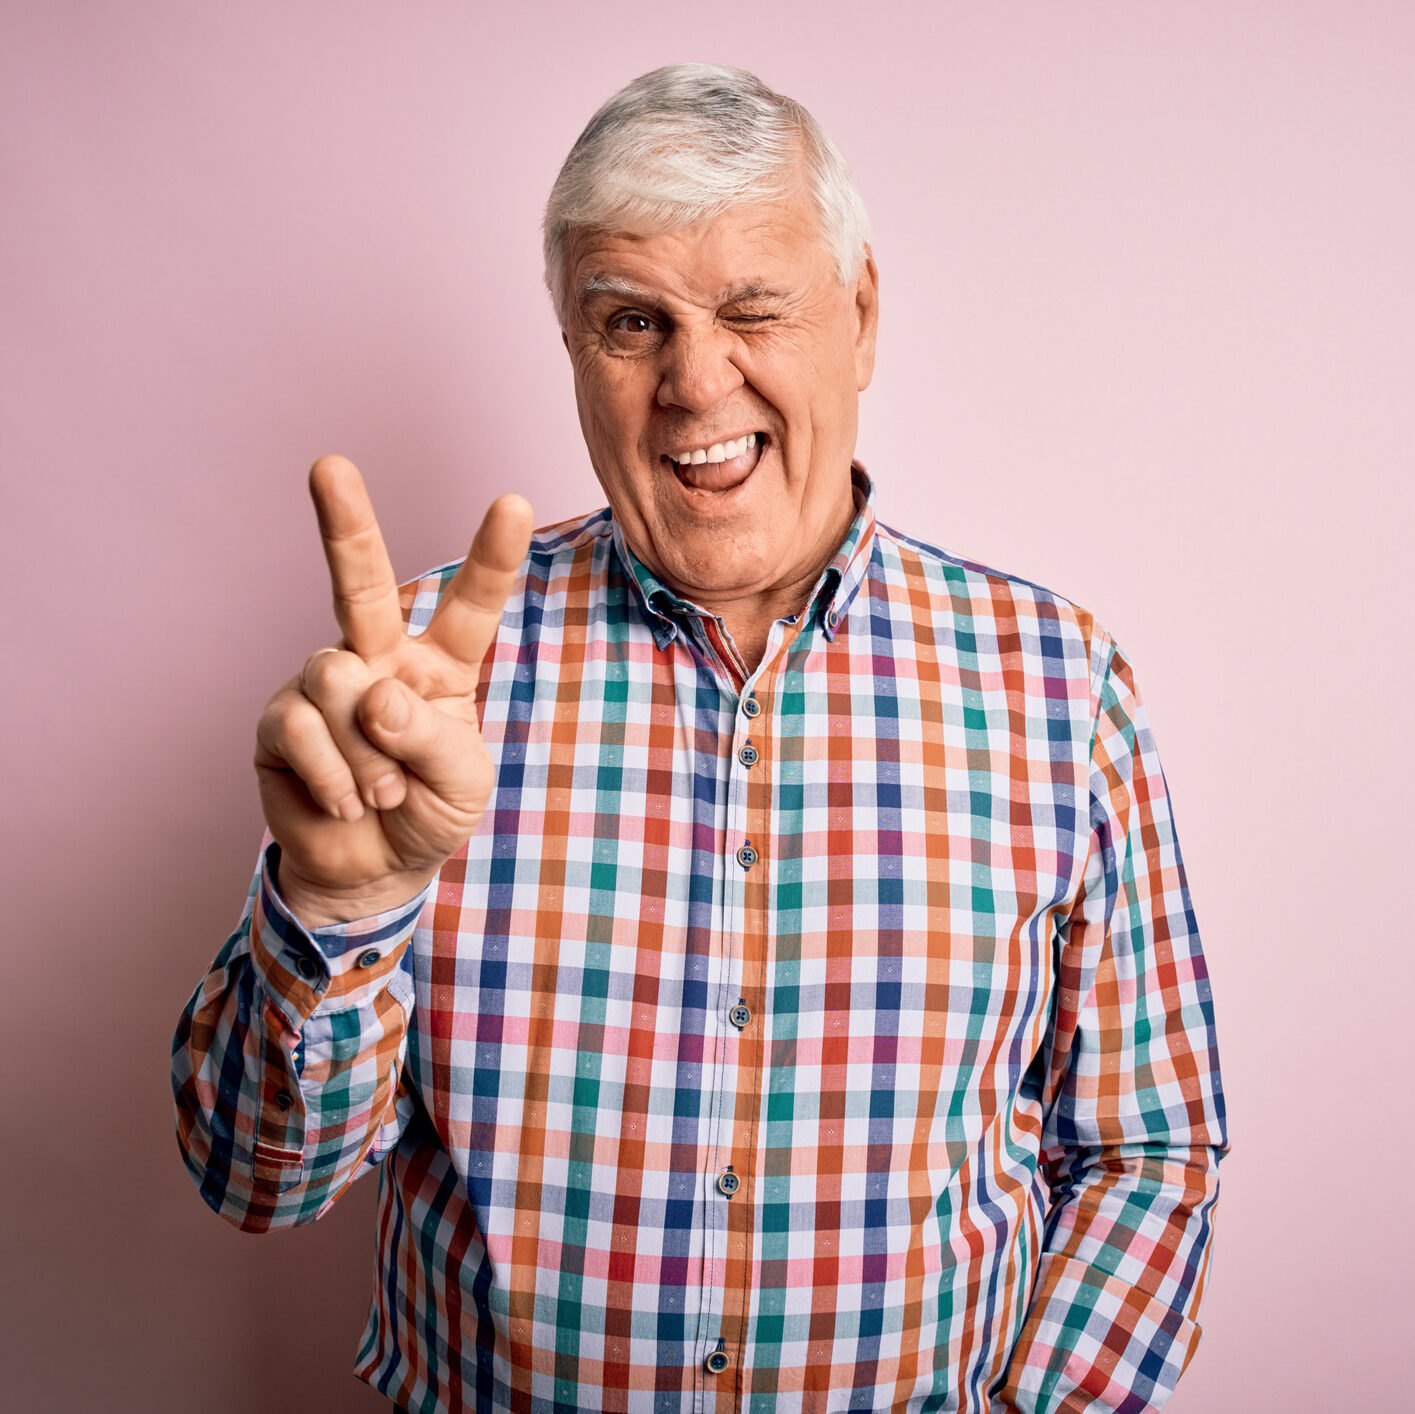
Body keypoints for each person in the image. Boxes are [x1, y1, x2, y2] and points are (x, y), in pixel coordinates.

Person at [172, 63, 1226, 1414]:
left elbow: (1151, 1148)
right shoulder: (419, 685)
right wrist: (338, 903)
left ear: (860, 315)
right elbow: (256, 1179)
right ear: (572, 349)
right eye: (632, 321)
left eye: (752, 309)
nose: (694, 378)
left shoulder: (1057, 684)